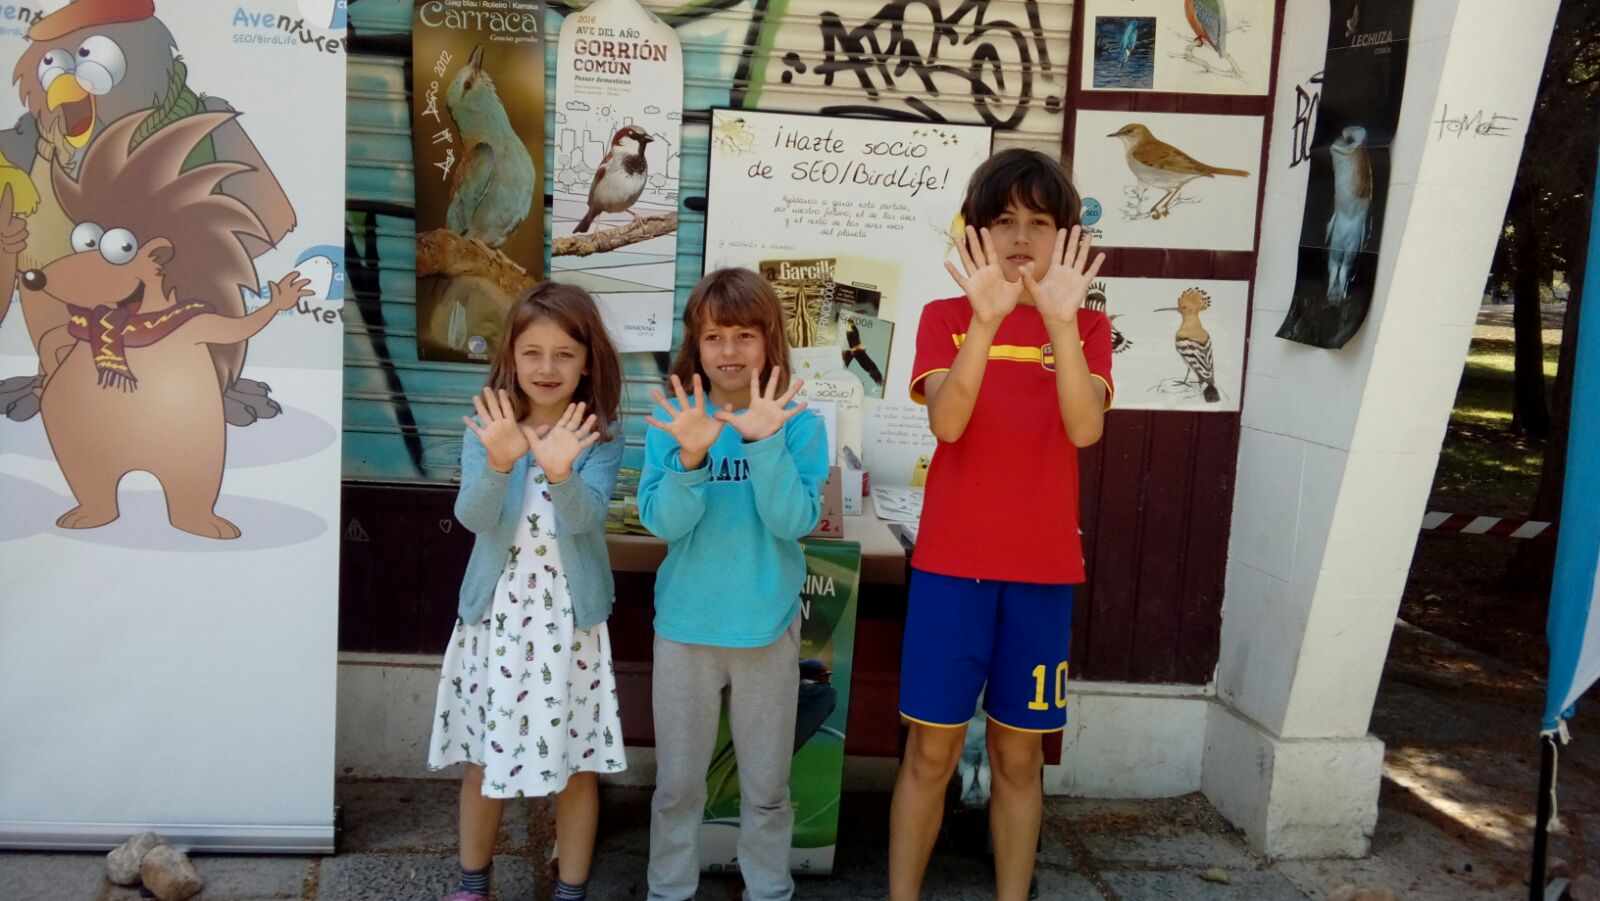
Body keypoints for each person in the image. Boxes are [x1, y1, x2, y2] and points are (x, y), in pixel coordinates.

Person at [888, 148, 1112, 901]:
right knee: (930, 754)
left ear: (1064, 237)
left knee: (1019, 761)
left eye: (1039, 223)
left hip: (1044, 576)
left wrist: (1060, 323)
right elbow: (948, 423)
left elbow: (1084, 428)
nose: (1021, 237)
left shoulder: (1089, 326)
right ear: (976, 234)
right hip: (952, 571)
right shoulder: (944, 318)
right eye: (1004, 220)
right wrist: (986, 323)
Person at [429, 281, 626, 901]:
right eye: (532, 352)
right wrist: (499, 462)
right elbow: (474, 517)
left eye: (565, 353)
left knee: (577, 765)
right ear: (510, 356)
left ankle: (570, 889)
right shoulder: (491, 425)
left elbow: (585, 518)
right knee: (482, 759)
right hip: (496, 616)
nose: (547, 367)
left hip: (571, 623)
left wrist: (561, 470)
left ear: (588, 360)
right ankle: (472, 883)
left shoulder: (600, 432)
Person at [639, 267, 829, 901]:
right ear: (696, 342)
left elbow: (794, 520)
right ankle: (668, 890)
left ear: (769, 340)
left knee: (767, 785)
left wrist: (767, 440)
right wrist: (690, 460)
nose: (729, 352)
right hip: (685, 630)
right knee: (678, 785)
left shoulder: (798, 421)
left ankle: (768, 889)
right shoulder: (672, 419)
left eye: (744, 335)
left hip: (766, 628)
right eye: (715, 336)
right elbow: (661, 521)